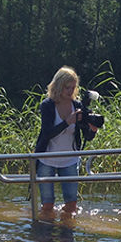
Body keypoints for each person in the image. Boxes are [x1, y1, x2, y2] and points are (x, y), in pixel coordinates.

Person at [33, 66, 99, 219]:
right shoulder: (47, 105)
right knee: (47, 205)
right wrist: (67, 122)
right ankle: (46, 236)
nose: (70, 91)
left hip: (70, 160)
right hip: (47, 160)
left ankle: (67, 233)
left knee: (71, 205)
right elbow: (48, 132)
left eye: (73, 87)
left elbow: (86, 137)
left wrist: (93, 130)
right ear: (58, 86)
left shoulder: (77, 106)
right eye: (67, 87)